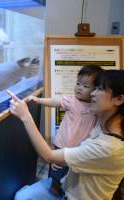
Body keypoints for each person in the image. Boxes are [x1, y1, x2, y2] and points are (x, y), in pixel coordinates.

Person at [6, 69, 124, 200]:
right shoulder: (102, 127)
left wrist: (25, 115)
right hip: (67, 184)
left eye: (99, 89)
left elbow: (48, 156)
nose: (93, 93)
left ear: (118, 99)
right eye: (94, 88)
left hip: (74, 196)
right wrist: (64, 160)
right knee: (22, 196)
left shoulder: (110, 147)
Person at [29, 65, 103, 195]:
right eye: (78, 83)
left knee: (75, 175)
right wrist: (39, 100)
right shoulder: (72, 101)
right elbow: (55, 101)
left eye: (85, 86)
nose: (79, 88)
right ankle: (54, 191)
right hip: (62, 145)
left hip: (81, 149)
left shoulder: (97, 107)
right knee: (56, 173)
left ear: (96, 89)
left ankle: (68, 192)